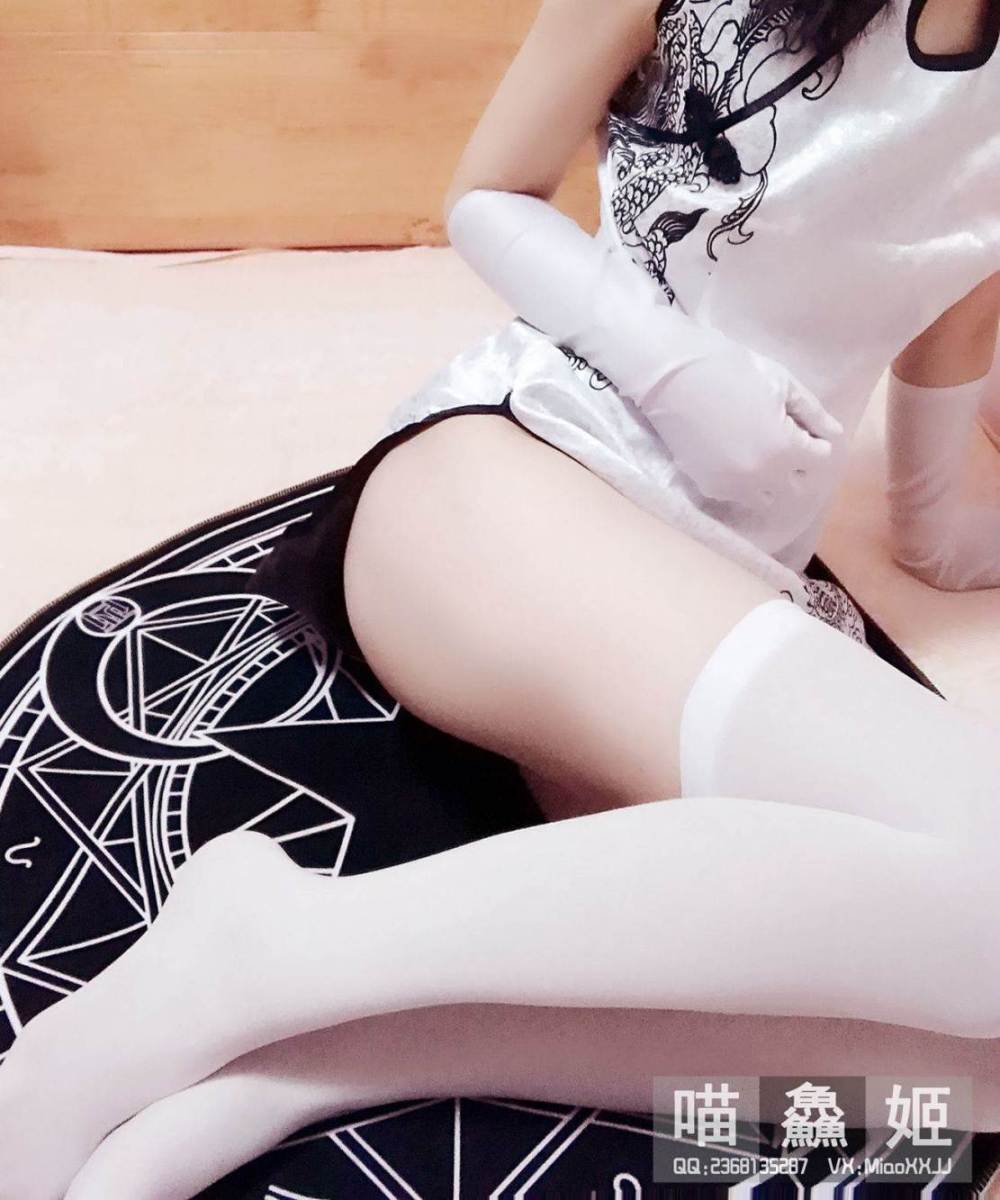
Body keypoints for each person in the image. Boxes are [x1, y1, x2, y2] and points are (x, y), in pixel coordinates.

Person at [1, 0, 998, 1196]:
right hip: (509, 475)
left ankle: (315, 1067)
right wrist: (674, 368)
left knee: (972, 1083)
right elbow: (485, 194)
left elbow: (937, 480)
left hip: (710, 591)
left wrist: (953, 539)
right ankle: (260, 953)